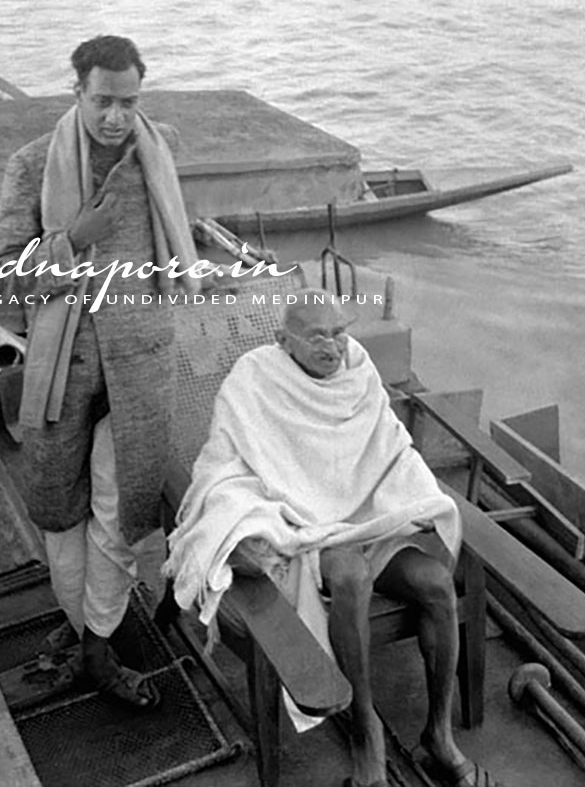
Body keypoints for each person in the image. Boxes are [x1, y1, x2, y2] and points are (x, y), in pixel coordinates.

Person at [165, 290, 502, 787]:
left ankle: (438, 735)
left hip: (370, 517)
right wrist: (256, 522)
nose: (333, 346)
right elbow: (225, 467)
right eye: (318, 336)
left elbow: (390, 446)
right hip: (308, 525)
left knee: (435, 583)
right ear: (285, 341)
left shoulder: (358, 370)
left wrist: (416, 497)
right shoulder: (254, 378)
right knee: (348, 574)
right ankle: (366, 730)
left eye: (340, 332)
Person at [0, 34, 201, 710]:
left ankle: (99, 645)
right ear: (76, 91)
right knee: (59, 509)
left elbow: (175, 237)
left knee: (120, 509)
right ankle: (84, 622)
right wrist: (74, 237)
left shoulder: (156, 150)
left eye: (128, 100)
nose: (116, 116)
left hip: (141, 364)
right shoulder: (30, 166)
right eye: (103, 100)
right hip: (63, 366)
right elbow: (4, 283)